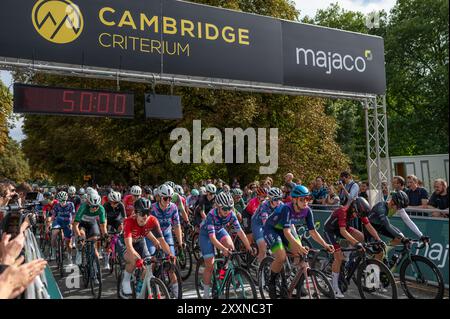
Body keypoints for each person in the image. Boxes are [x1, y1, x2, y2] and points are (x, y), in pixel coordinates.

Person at [263, 185, 334, 299]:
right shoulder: (287, 208)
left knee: (300, 255)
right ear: (294, 199)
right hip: (272, 229)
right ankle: (271, 281)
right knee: (281, 257)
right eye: (302, 199)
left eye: (308, 198)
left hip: (286, 229)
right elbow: (286, 232)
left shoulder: (307, 210)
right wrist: (298, 246)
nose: (306, 202)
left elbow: (313, 231)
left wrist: (325, 244)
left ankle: (296, 283)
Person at [323, 197, 383, 298]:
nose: (358, 216)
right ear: (354, 208)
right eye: (358, 214)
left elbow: (368, 225)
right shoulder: (343, 211)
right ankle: (334, 287)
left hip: (343, 228)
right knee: (338, 257)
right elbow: (343, 231)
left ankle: (347, 258)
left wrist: (378, 239)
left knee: (361, 236)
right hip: (330, 230)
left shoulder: (359, 211)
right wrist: (356, 244)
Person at [199, 192, 252, 299]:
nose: (227, 211)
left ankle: (222, 274)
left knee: (231, 248)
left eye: (230, 208)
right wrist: (222, 249)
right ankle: (205, 293)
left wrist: (248, 247)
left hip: (219, 230)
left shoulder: (231, 214)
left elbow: (240, 232)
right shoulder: (211, 215)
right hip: (206, 235)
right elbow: (212, 238)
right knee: (210, 264)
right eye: (225, 208)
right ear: (218, 207)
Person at [119, 197, 173, 297]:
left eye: (148, 213)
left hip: (140, 241)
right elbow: (130, 247)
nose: (145, 216)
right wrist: (138, 259)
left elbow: (162, 240)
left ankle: (140, 286)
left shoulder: (153, 220)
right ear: (135, 213)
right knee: (134, 260)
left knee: (148, 265)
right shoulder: (129, 222)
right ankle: (125, 281)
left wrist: (170, 254)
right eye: (142, 213)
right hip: (125, 243)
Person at [73, 192, 107, 264]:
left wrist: (105, 235)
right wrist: (79, 236)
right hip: (81, 223)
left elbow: (102, 225)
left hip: (91, 223)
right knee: (82, 235)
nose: (95, 208)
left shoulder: (101, 209)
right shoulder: (83, 207)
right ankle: (79, 252)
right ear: (88, 204)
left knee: (95, 238)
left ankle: (94, 257)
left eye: (96, 206)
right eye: (93, 206)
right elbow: (75, 225)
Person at [251, 188, 283, 263]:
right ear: (270, 199)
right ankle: (260, 269)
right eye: (276, 199)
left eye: (280, 198)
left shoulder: (281, 204)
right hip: (257, 223)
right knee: (263, 249)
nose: (278, 201)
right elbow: (265, 222)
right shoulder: (264, 205)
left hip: (269, 222)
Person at [47, 191, 75, 263]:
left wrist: (72, 224)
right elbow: (53, 216)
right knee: (54, 234)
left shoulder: (71, 204)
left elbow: (74, 215)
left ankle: (69, 255)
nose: (62, 202)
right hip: (58, 221)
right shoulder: (56, 205)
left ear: (66, 199)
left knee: (68, 243)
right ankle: (53, 252)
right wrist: (49, 223)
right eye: (60, 201)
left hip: (67, 222)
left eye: (63, 201)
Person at [103, 191, 126, 269]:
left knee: (121, 228)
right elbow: (104, 219)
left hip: (117, 220)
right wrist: (106, 232)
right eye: (114, 202)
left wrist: (124, 229)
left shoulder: (121, 205)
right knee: (108, 238)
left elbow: (124, 218)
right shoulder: (106, 206)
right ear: (109, 201)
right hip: (108, 221)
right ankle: (106, 260)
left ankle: (120, 250)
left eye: (117, 202)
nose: (116, 204)